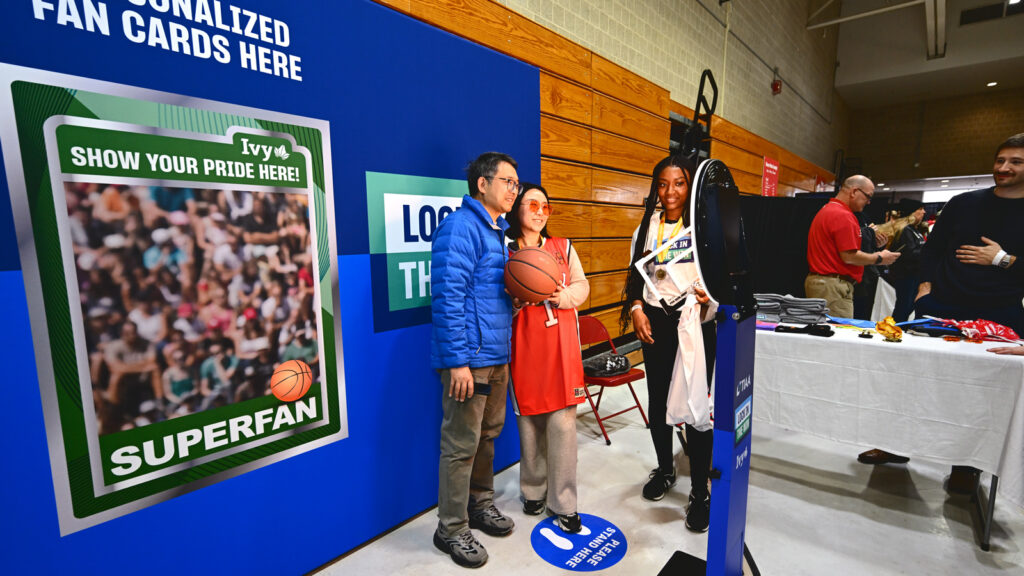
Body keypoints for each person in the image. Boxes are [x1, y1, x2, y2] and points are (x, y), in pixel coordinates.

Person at [429, 152, 520, 568]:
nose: (514, 190)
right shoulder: (460, 227)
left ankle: (480, 505)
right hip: (470, 361)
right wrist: (458, 362)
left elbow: (488, 296)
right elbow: (448, 297)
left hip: (497, 357)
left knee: (487, 437)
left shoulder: (497, 232)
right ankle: (450, 528)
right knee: (460, 444)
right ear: (482, 184)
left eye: (517, 184)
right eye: (508, 182)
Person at [622, 154, 716, 533]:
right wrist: (635, 309)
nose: (670, 192)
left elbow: (722, 282)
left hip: (694, 326)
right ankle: (664, 469)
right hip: (655, 324)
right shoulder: (647, 226)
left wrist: (710, 299)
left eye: (678, 183)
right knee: (657, 400)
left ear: (690, 186)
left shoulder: (705, 229)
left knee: (696, 407)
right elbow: (633, 277)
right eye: (663, 184)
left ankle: (700, 491)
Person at [505, 183, 590, 534]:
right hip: (524, 346)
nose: (540, 212)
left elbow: (583, 286)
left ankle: (565, 502)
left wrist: (563, 295)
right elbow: (494, 301)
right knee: (530, 424)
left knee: (563, 426)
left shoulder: (563, 247)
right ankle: (533, 490)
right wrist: (514, 303)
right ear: (517, 210)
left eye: (546, 207)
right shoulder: (503, 251)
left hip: (562, 346)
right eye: (533, 205)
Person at [915, 133, 1024, 335]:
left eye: (1015, 162)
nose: (1003, 168)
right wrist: (924, 290)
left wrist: (1002, 259)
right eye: (1000, 160)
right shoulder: (962, 202)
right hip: (940, 306)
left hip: (1000, 312)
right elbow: (932, 250)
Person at [805, 175, 901, 319]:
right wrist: (880, 258)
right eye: (868, 196)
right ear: (854, 191)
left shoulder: (829, 209)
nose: (868, 202)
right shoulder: (843, 215)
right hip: (832, 286)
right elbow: (849, 256)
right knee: (838, 336)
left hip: (826, 284)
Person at [885, 199, 927, 322]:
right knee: (904, 306)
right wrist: (928, 250)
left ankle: (898, 328)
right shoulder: (905, 230)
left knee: (908, 306)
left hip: (914, 274)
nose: (924, 212)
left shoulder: (914, 230)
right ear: (912, 212)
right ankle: (894, 329)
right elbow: (909, 253)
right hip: (906, 274)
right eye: (920, 209)